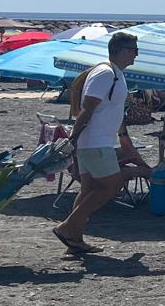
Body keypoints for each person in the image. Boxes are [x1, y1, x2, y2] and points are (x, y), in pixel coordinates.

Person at [53, 32, 136, 254]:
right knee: (112, 185)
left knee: (89, 189)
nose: (136, 55)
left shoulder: (114, 74)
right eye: (133, 50)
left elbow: (109, 110)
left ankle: (75, 241)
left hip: (96, 140)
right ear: (120, 50)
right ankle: (68, 227)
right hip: (96, 141)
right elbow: (87, 108)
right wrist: (74, 139)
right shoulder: (106, 74)